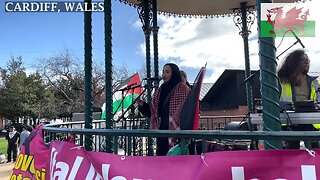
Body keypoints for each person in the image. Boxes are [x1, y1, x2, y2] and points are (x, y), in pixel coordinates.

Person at [139, 63, 191, 155]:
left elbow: (187, 111)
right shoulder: (161, 89)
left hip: (179, 133)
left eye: (167, 72)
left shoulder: (183, 88)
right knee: (162, 160)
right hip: (163, 132)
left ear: (174, 73)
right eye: (163, 72)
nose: (164, 74)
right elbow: (153, 111)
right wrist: (141, 105)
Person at [278, 49, 320, 149]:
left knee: (315, 150)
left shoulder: (314, 81)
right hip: (289, 122)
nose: (306, 62)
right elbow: (274, 102)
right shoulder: (281, 80)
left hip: (310, 122)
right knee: (291, 152)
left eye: (307, 60)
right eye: (303, 60)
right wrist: (290, 107)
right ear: (294, 62)